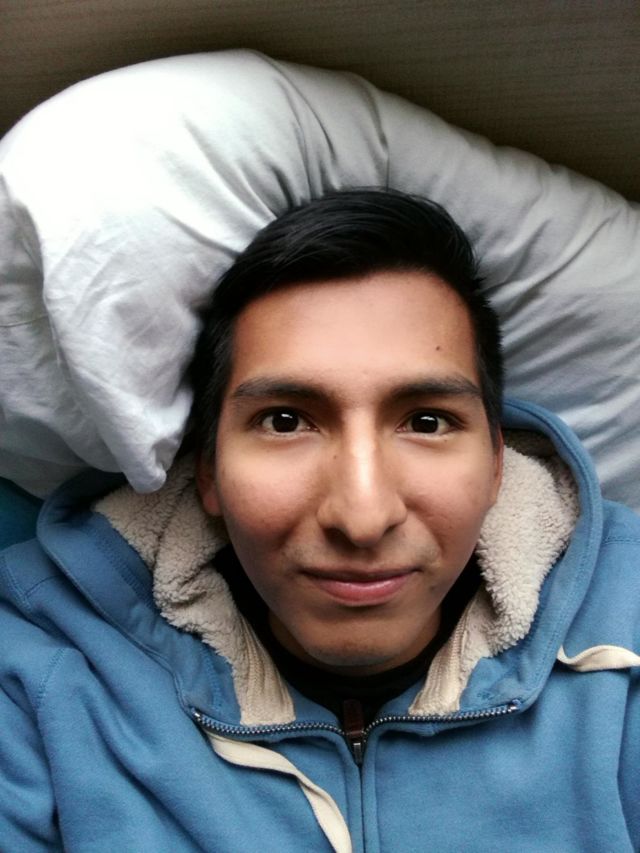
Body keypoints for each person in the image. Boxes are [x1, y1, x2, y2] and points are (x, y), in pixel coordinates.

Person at [1, 190, 638, 852]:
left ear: (497, 464)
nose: (362, 518)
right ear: (208, 469)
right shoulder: (38, 667)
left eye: (426, 422)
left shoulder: (628, 627)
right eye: (285, 421)